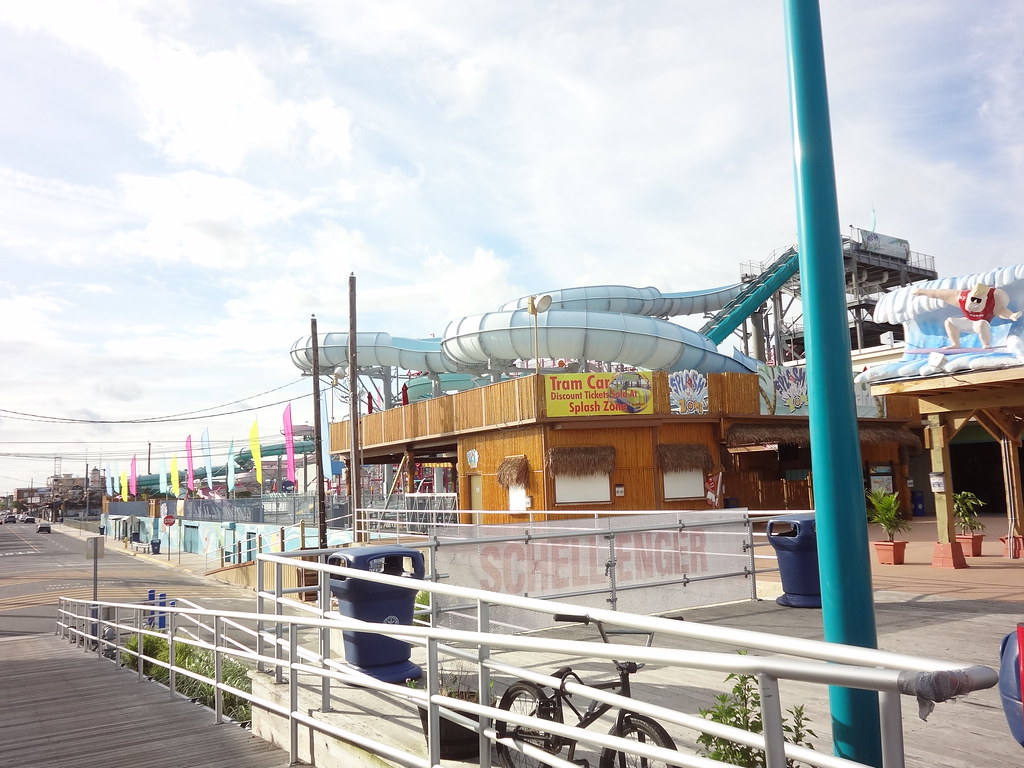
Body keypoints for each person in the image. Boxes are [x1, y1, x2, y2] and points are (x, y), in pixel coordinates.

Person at [912, 283, 1022, 348]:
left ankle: (986, 344)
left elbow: (1001, 311)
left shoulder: (992, 302)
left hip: (982, 324)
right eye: (972, 299)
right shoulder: (962, 299)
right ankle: (955, 344)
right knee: (949, 321)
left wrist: (1011, 315)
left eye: (978, 301)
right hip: (968, 322)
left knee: (981, 324)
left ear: (985, 299)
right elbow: (938, 293)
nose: (974, 303)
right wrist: (922, 291)